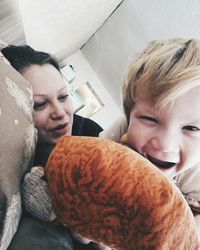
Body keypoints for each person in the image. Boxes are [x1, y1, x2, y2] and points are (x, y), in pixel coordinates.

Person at [1, 45, 103, 250]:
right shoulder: (19, 164)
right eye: (39, 104)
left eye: (64, 96)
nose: (60, 112)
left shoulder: (91, 134)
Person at [101, 37, 200, 239]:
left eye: (192, 128)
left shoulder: (196, 181)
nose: (165, 144)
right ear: (129, 117)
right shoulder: (121, 131)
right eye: (149, 119)